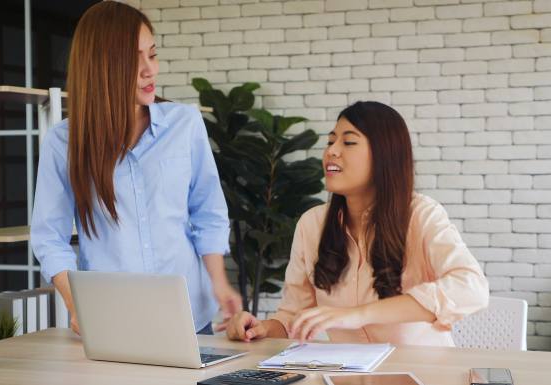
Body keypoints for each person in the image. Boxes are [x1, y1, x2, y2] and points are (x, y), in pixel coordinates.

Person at [31, 1, 240, 336]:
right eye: (133, 58)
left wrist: (220, 284)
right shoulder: (64, 143)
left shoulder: (185, 124)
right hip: (113, 320)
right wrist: (75, 303)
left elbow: (208, 211)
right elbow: (49, 238)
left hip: (190, 316)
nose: (150, 70)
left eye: (152, 54)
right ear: (101, 67)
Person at [226, 101, 489, 346]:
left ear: (385, 155)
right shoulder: (312, 224)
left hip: (423, 375)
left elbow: (472, 288)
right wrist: (259, 328)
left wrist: (359, 314)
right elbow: (292, 317)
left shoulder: (421, 214)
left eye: (348, 142)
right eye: (330, 141)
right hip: (348, 376)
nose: (331, 151)